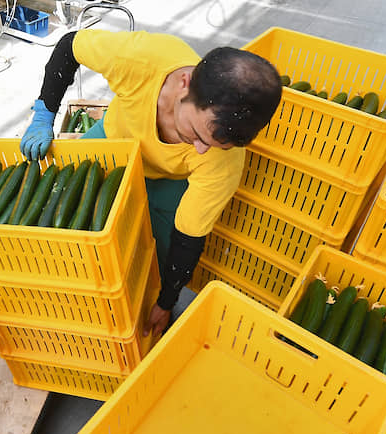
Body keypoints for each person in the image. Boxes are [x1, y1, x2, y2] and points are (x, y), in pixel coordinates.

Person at [20, 29, 282, 338]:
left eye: (216, 145)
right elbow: (69, 47)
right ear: (186, 83)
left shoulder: (222, 162)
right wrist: (43, 116)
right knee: (55, 205)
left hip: (170, 178)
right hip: (114, 140)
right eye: (197, 134)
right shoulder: (141, 60)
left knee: (153, 252)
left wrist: (166, 301)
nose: (200, 149)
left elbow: (189, 238)